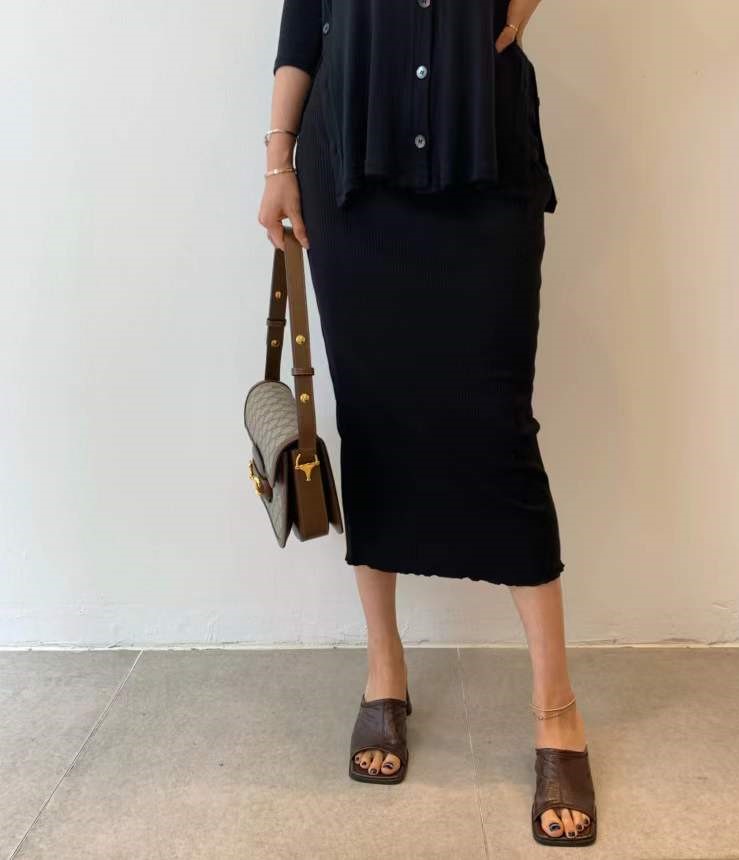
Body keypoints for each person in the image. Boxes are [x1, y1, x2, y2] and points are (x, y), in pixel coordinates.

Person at [258, 0, 596, 846]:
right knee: (373, 422)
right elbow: (305, 23)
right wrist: (277, 160)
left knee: (499, 429)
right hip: (352, 171)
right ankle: (385, 673)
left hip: (484, 156)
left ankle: (556, 708)